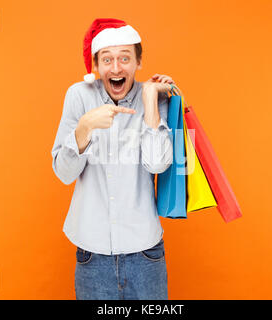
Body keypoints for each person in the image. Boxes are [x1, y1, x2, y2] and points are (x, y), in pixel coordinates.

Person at [51, 18, 175, 300]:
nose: (116, 68)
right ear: (96, 65)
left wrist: (150, 102)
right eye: (107, 59)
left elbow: (157, 164)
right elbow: (64, 173)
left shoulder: (154, 97)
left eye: (124, 58)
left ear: (138, 62)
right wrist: (84, 127)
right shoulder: (79, 96)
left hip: (145, 254)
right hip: (92, 256)